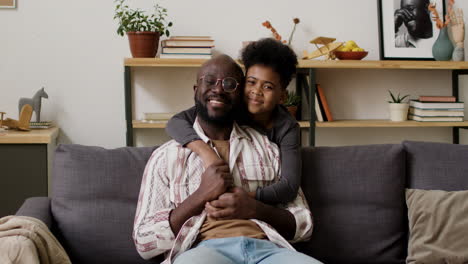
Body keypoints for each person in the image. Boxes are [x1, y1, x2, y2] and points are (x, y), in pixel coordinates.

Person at [133, 55, 321, 264]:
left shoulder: (268, 148)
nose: (219, 89)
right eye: (210, 81)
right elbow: (143, 242)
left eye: (229, 84)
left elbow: (304, 225)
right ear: (196, 90)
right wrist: (200, 196)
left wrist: (254, 208)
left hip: (268, 250)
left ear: (240, 95)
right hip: (203, 252)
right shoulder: (166, 156)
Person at [166, 38, 301, 205]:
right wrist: (206, 153)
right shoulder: (231, 106)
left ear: (282, 96)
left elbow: (289, 187)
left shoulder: (287, 127)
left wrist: (245, 198)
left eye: (268, 87)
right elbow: (175, 122)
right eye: (251, 82)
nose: (256, 91)